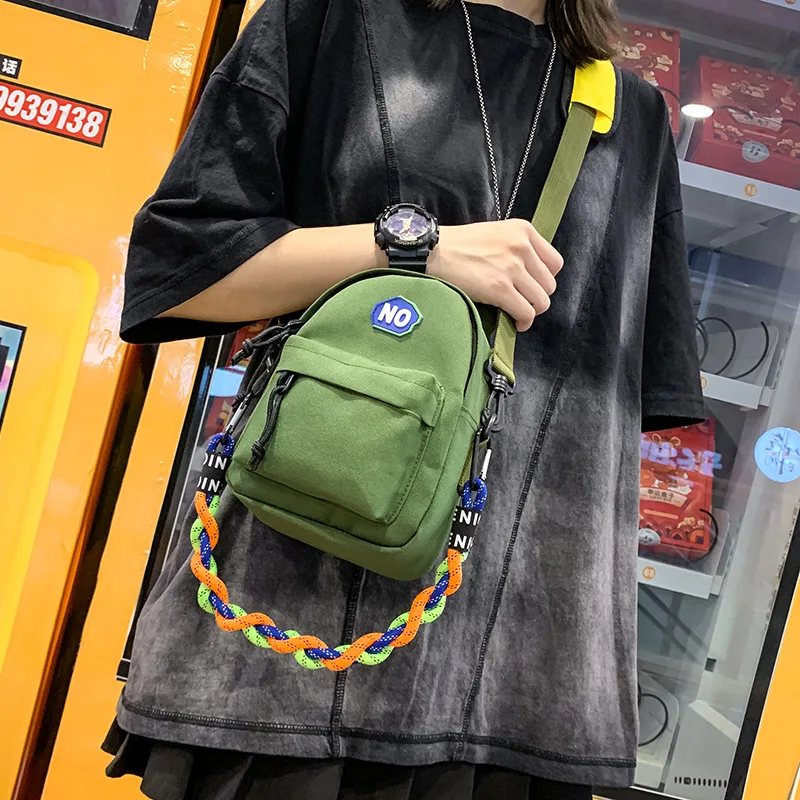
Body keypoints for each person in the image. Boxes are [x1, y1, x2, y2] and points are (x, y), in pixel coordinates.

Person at [105, 0, 705, 798]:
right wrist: (415, 248)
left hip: (516, 686)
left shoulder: (633, 117)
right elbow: (179, 271)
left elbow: (612, 427)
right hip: (293, 650)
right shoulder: (326, 22)